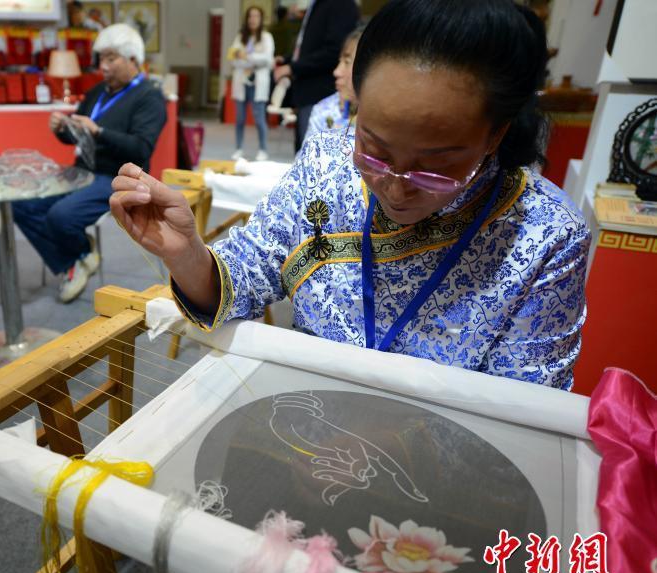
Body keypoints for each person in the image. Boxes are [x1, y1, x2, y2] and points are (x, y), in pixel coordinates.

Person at [111, 0, 589, 393]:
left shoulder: (545, 235)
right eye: (375, 150)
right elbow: (251, 270)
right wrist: (188, 256)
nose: (396, 185)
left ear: (495, 135)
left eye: (436, 167)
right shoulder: (327, 162)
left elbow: (527, 406)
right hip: (305, 419)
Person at [12, 24, 166, 303]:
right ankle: (77, 258)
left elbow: (141, 148)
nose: (102, 66)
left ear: (133, 60)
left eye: (110, 59)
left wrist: (99, 131)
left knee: (60, 216)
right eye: (100, 59)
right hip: (80, 171)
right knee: (21, 205)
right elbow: (76, 136)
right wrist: (62, 128)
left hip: (118, 176)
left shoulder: (149, 96)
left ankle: (76, 257)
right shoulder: (97, 92)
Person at [273, 0, 359, 153]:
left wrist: (293, 67)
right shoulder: (316, 4)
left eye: (346, 62)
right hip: (307, 93)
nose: (337, 71)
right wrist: (289, 60)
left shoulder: (340, 4)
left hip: (318, 90)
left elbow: (333, 50)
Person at [303, 24, 364, 144]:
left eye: (347, 62)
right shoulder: (324, 112)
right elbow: (305, 159)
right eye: (339, 61)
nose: (336, 72)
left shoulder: (388, 120)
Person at [228, 6, 275, 161]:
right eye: (250, 16)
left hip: (258, 83)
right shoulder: (240, 37)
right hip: (242, 82)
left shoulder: (267, 37)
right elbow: (233, 59)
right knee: (240, 118)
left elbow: (268, 59)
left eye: (256, 16)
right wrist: (250, 60)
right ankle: (238, 148)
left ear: (261, 19)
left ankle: (263, 149)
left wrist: (247, 57)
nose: (253, 19)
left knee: (259, 118)